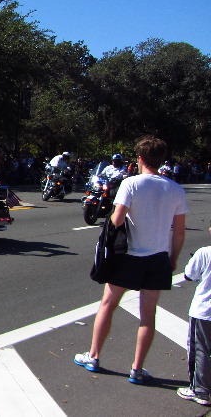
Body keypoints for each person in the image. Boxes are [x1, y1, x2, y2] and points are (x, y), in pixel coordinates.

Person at [74, 136, 188, 385]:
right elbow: (179, 231)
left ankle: (93, 356)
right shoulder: (176, 189)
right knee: (148, 315)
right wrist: (173, 259)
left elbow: (116, 220)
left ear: (140, 158)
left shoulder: (131, 184)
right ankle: (137, 368)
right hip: (158, 258)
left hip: (129, 256)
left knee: (108, 304)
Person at [180, 222, 211, 406]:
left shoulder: (204, 253)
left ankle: (199, 390)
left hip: (204, 311)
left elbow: (189, 275)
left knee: (200, 350)